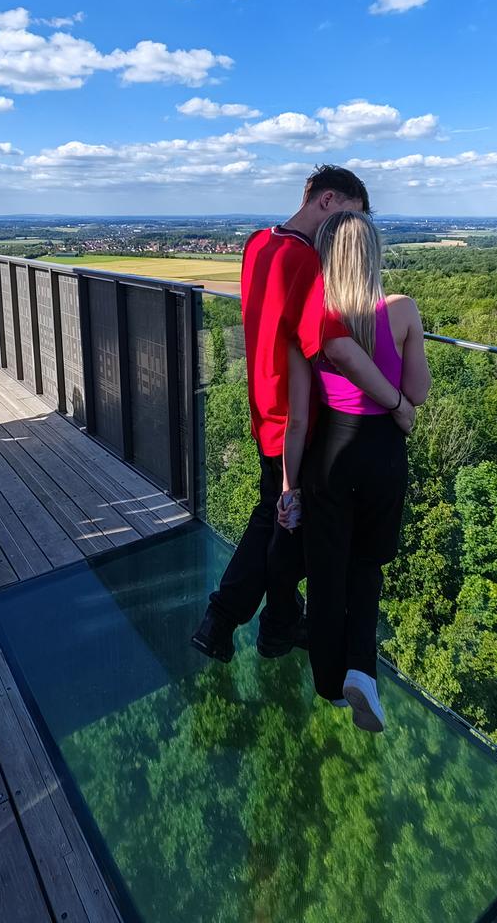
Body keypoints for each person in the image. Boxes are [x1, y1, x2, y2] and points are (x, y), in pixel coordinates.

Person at [190, 166, 413, 665]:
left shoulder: (257, 244)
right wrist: (398, 405)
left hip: (266, 407)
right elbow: (337, 347)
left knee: (278, 516)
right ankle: (240, 620)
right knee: (282, 522)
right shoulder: (306, 263)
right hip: (302, 418)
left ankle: (262, 622)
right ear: (328, 200)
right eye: (349, 219)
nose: (347, 236)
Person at [294, 209, 429, 732]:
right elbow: (415, 395)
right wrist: (397, 400)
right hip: (383, 452)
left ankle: (328, 683)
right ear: (373, 254)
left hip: (330, 448)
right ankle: (362, 673)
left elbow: (302, 403)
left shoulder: (316, 315)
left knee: (327, 571)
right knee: (367, 566)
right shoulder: (401, 311)